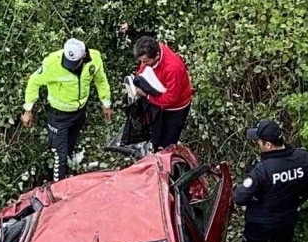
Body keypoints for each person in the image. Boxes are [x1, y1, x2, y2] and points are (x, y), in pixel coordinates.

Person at [21, 38, 112, 181]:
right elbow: (34, 81)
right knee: (59, 154)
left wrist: (106, 104)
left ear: (83, 57)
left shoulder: (94, 60)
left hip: (79, 112)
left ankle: (68, 172)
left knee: (71, 143)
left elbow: (100, 81)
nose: (69, 67)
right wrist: (28, 109)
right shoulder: (52, 64)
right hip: (58, 116)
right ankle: (58, 186)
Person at [130, 36, 193, 150]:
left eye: (146, 61)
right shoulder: (153, 51)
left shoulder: (173, 68)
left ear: (157, 56)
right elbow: (143, 69)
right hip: (159, 101)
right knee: (156, 137)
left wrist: (148, 97)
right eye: (141, 61)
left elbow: (171, 98)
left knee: (168, 143)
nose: (143, 64)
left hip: (176, 108)